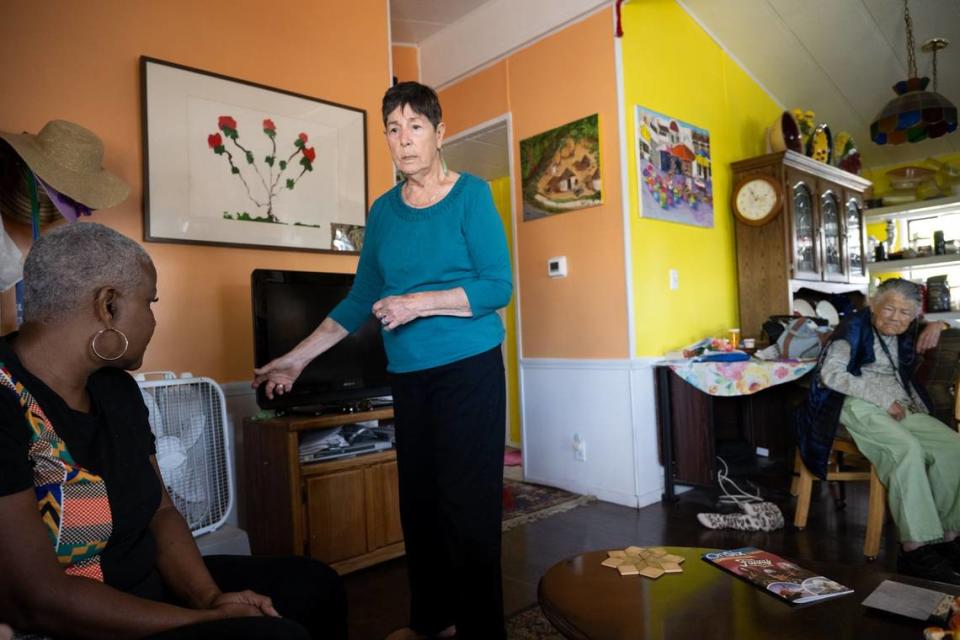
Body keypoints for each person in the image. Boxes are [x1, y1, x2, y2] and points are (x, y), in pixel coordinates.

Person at [254, 81, 513, 640]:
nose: (404, 140)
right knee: (419, 506)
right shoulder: (384, 212)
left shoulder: (472, 195)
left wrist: (417, 302)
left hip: (470, 371)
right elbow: (356, 300)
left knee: (468, 510)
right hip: (409, 377)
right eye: (393, 129)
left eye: (415, 126)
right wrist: (296, 360)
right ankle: (430, 622)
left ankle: (480, 630)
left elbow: (497, 287)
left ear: (440, 133)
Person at [0, 223, 346, 639]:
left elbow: (161, 511)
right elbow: (38, 599)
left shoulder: (116, 389)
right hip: (80, 619)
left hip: (152, 588)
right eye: (149, 302)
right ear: (108, 306)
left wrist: (209, 597)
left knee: (315, 585)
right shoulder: (6, 401)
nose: (152, 320)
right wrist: (208, 621)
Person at [796, 278, 960, 584]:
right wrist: (882, 399)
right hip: (854, 402)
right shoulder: (853, 329)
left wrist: (941, 325)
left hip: (899, 403)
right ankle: (914, 548)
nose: (896, 318)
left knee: (954, 447)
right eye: (889, 309)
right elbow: (831, 374)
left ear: (914, 315)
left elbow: (941, 326)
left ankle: (950, 537)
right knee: (905, 449)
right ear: (873, 303)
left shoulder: (911, 325)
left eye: (905, 313)